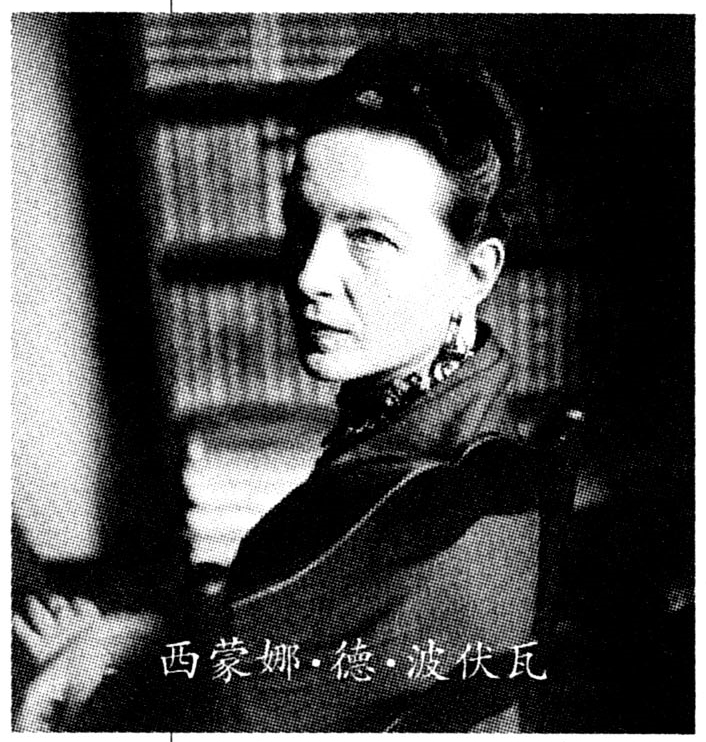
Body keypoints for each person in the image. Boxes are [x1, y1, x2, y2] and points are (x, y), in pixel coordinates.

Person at [13, 44, 556, 733]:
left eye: (369, 237)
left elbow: (232, 707)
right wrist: (137, 641)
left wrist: (94, 676)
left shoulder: (429, 501)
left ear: (475, 274)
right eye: (303, 223)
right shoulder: (436, 424)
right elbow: (274, 647)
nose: (309, 276)